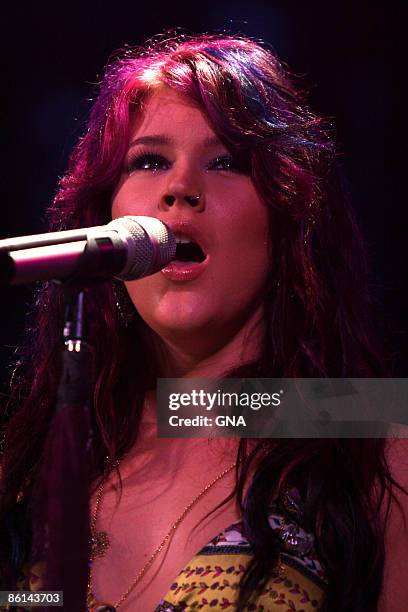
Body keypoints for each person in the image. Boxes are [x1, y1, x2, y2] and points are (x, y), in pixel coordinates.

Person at [0, 33, 407, 612]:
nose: (180, 189)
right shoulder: (34, 458)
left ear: (287, 213)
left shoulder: (370, 435)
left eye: (226, 163)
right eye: (149, 161)